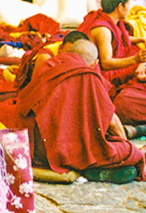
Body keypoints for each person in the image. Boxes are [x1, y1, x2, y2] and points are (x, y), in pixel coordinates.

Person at [17, 39, 144, 179]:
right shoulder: (88, 75)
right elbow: (112, 121)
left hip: (35, 151)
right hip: (68, 153)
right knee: (129, 151)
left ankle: (92, 169)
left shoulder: (48, 64)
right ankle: (91, 170)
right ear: (95, 63)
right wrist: (129, 147)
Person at [77, 0, 146, 125]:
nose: (129, 9)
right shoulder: (103, 29)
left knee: (138, 54)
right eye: (128, 5)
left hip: (113, 63)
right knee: (138, 66)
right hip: (105, 74)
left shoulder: (111, 21)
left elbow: (119, 37)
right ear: (120, 7)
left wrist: (139, 39)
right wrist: (135, 60)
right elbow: (107, 62)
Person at [14, 30, 90, 90]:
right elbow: (35, 89)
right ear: (60, 48)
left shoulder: (85, 54)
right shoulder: (46, 58)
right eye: (68, 53)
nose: (72, 58)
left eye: (75, 55)